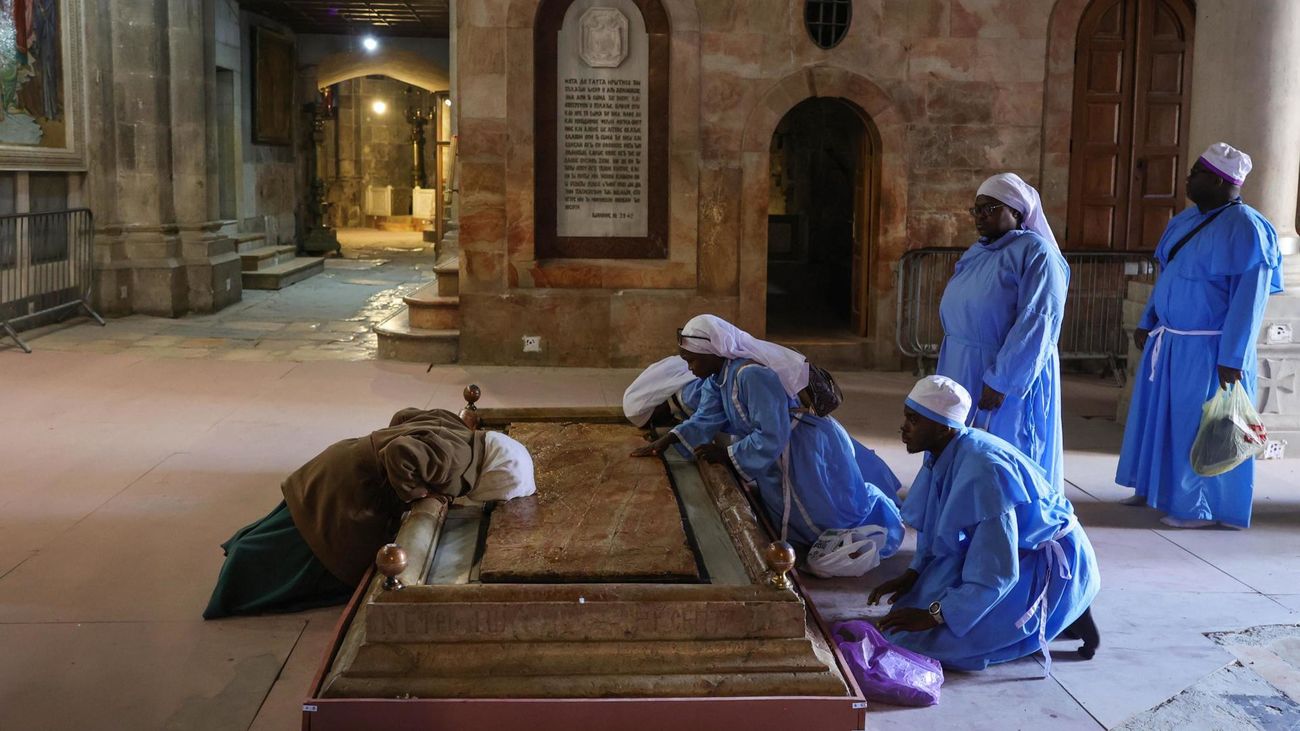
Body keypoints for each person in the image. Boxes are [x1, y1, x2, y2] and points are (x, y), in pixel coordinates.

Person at [204, 407, 535, 619]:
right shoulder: (457, 460)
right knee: (319, 543)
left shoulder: (462, 434)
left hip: (342, 459)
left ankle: (242, 550)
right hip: (351, 488)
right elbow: (401, 452)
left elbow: (405, 416)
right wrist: (419, 493)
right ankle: (237, 577)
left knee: (298, 520)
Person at [870, 376, 1100, 672]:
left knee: (927, 642)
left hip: (1043, 562)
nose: (904, 427)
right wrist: (913, 573)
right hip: (1013, 551)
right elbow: (932, 522)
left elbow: (998, 572)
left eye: (914, 420)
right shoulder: (945, 450)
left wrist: (934, 615)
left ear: (944, 427)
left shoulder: (984, 473)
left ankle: (1061, 609)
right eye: (906, 417)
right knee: (907, 614)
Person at [630, 314, 904, 552]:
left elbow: (772, 434)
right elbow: (706, 417)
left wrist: (727, 454)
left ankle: (823, 545)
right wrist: (668, 440)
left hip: (803, 446)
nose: (690, 368)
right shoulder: (718, 377)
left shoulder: (750, 374)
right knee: (786, 505)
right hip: (781, 449)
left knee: (817, 508)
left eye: (693, 361)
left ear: (713, 352)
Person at [1116, 143, 1284, 529]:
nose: (1188, 179)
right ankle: (1156, 489)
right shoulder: (1185, 221)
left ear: (1218, 180)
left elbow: (1250, 301)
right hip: (1170, 341)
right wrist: (1148, 319)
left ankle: (1201, 508)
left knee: (1201, 427)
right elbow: (1168, 276)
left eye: (1195, 173)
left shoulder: (1248, 228)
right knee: (1162, 421)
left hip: (1211, 350)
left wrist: (1233, 357)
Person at [623, 352, 903, 503]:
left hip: (795, 435)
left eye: (652, 419)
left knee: (831, 486)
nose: (657, 424)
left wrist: (729, 455)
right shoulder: (692, 376)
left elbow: (728, 420)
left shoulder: (691, 393)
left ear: (656, 404)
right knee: (843, 466)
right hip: (788, 429)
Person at [937, 173, 1069, 491]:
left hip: (1003, 369)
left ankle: (1008, 514)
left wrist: (1002, 379)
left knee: (1002, 448)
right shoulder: (979, 251)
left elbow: (1038, 322)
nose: (980, 216)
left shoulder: (1037, 253)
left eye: (990, 208)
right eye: (977, 209)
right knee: (960, 445)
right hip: (963, 362)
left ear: (1017, 212)